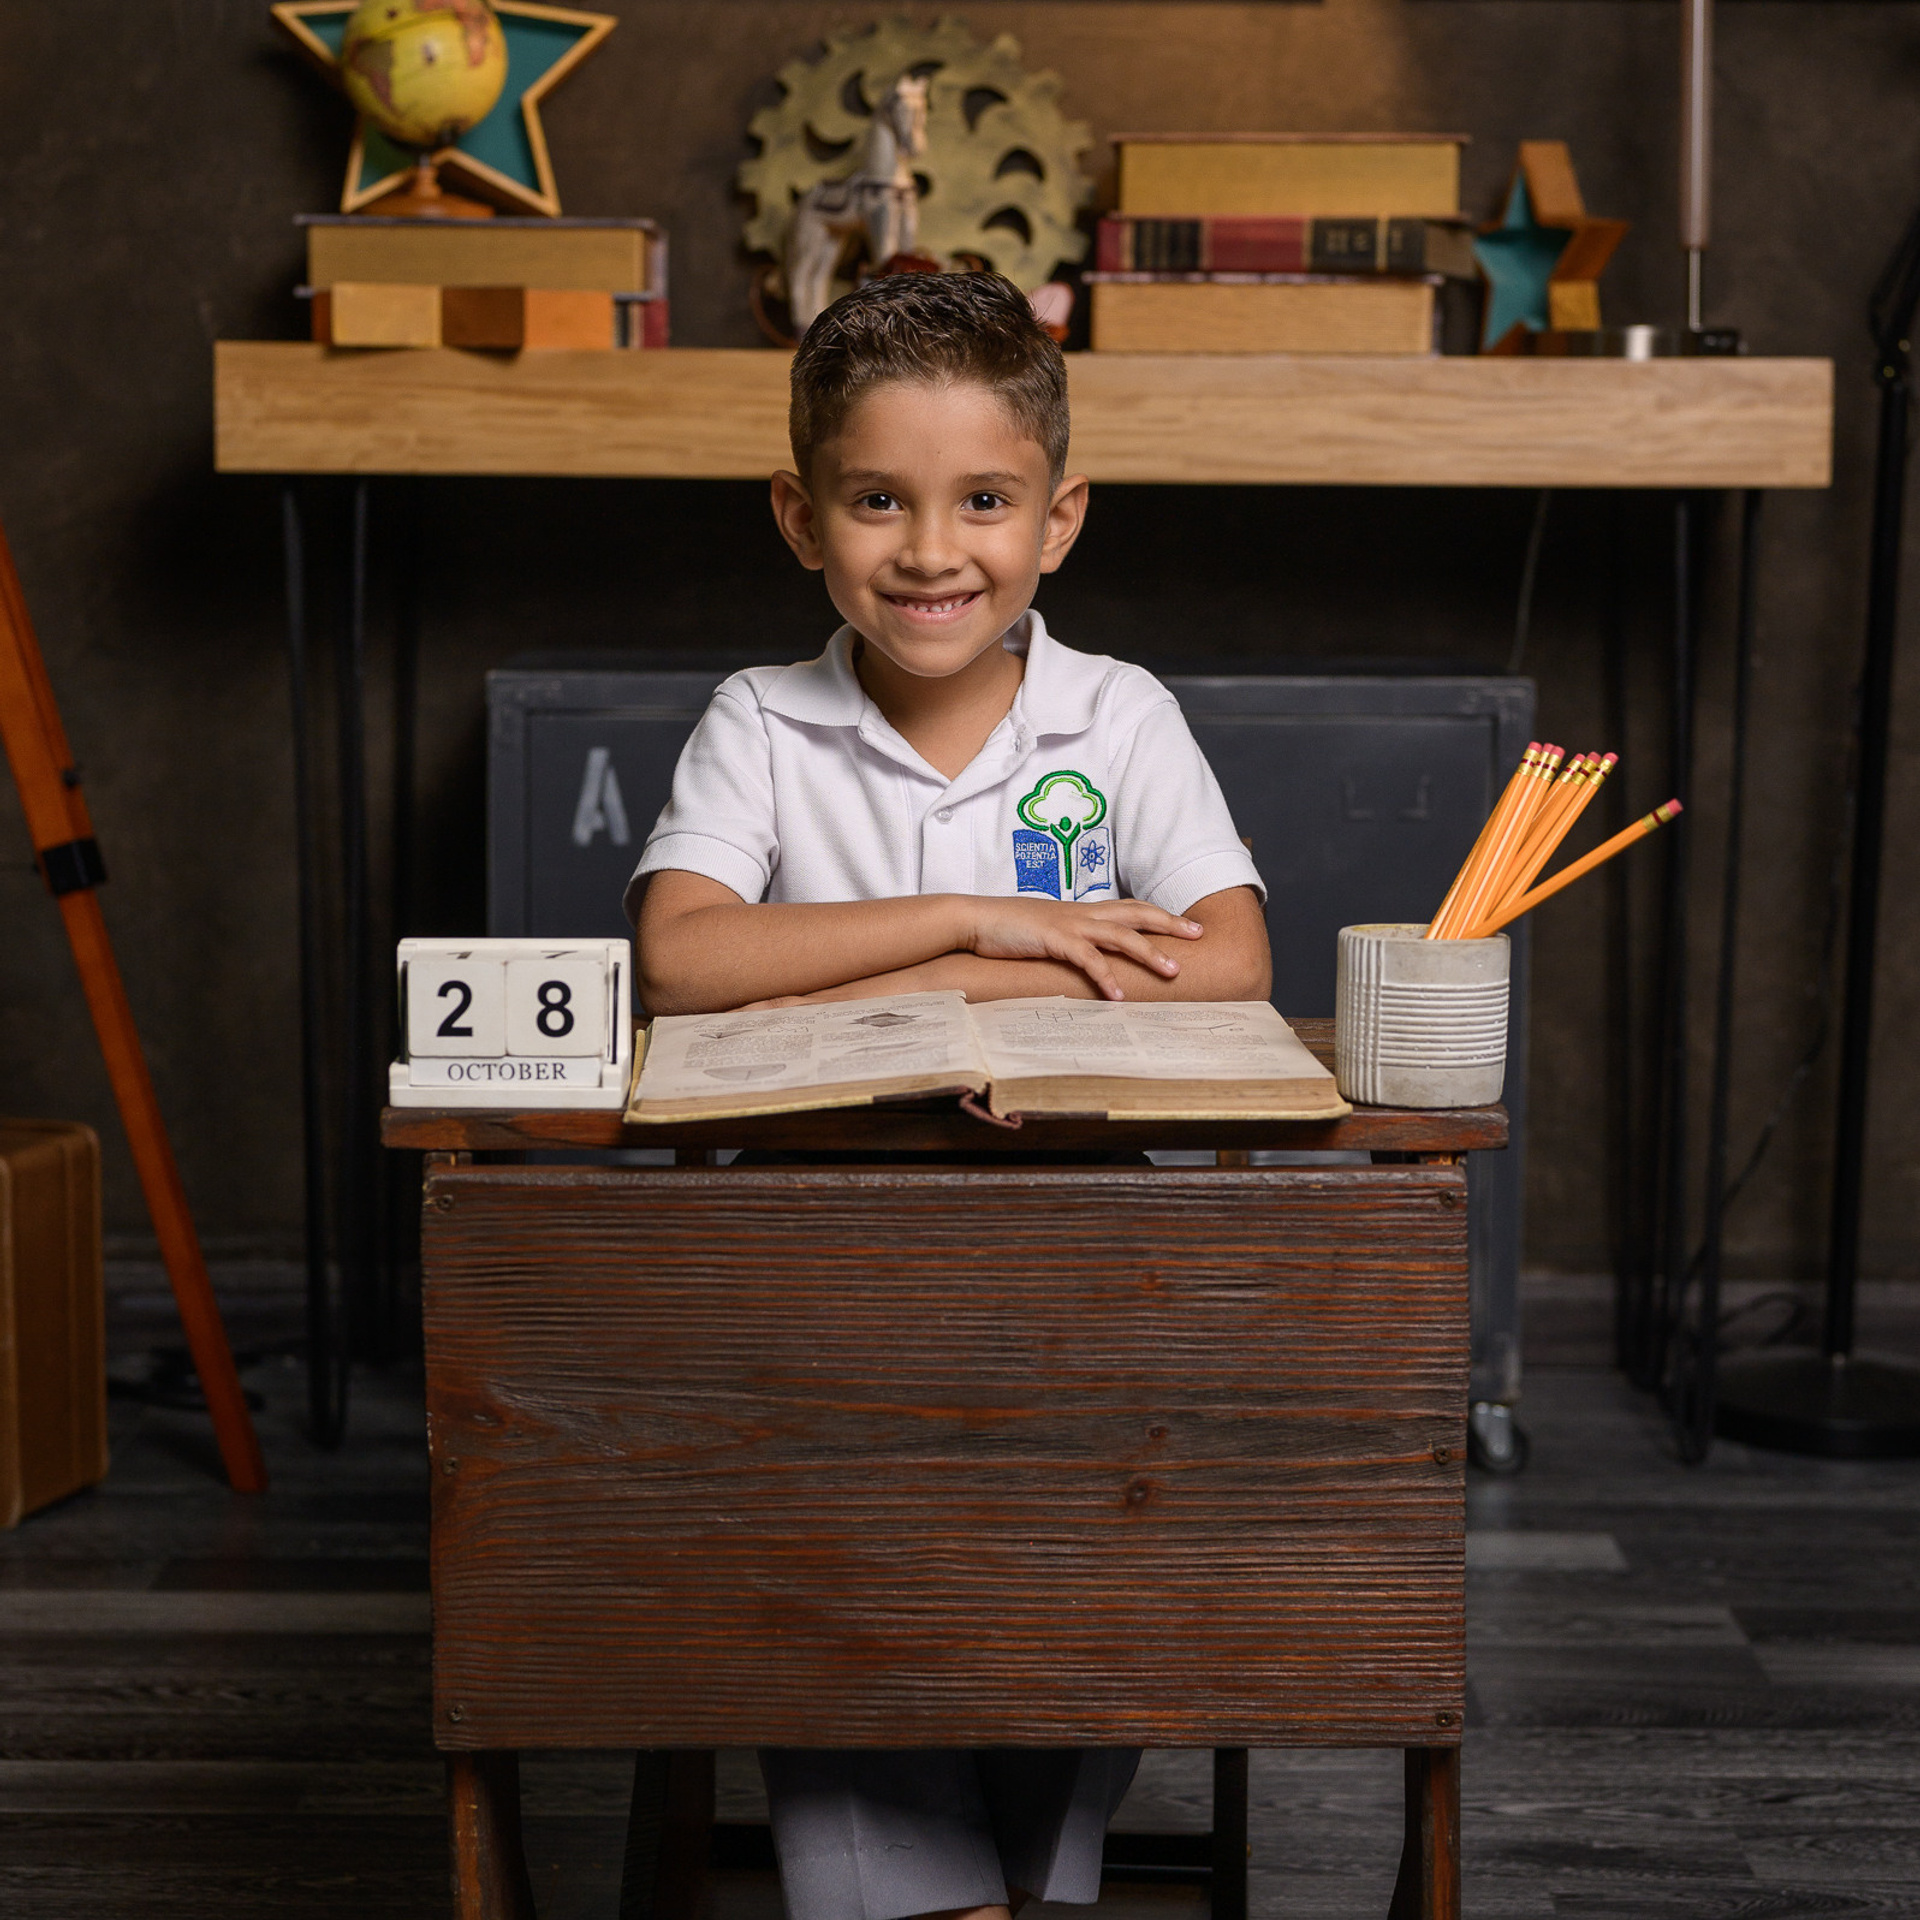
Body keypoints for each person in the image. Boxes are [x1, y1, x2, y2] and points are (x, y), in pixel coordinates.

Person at [625, 271, 1270, 1920]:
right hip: (805, 1294)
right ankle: (927, 1892)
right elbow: (683, 963)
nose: (931, 551)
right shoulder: (761, 725)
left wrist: (934, 994)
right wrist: (980, 920)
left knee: (1097, 1527)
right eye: (877, 501)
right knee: (822, 1537)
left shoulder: (1117, 716)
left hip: (1081, 1282)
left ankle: (1026, 1873)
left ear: (1058, 521)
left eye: (984, 500)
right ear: (800, 516)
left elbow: (1230, 963)